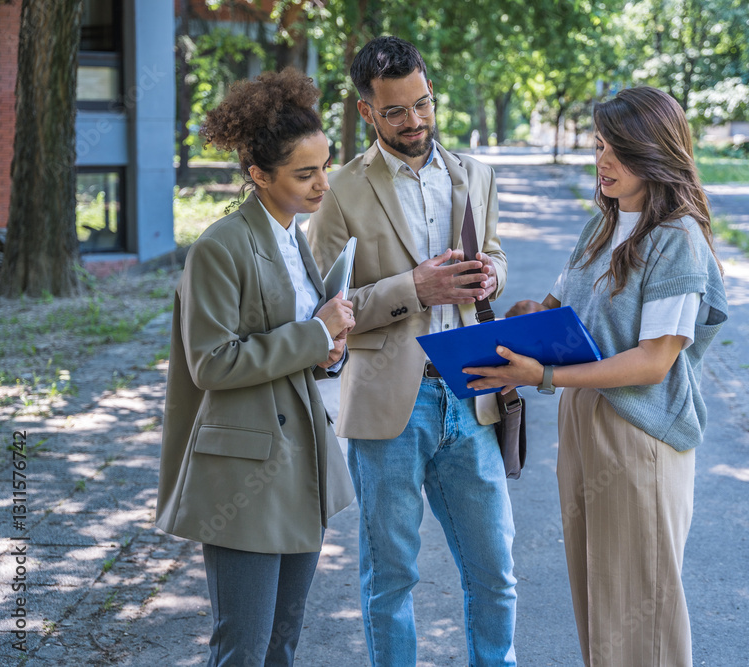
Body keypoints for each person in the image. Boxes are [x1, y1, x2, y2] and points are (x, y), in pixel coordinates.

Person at [465, 87, 728, 667]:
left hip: (640, 433)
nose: (602, 161)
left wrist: (545, 374)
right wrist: (518, 321)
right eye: (600, 146)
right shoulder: (599, 227)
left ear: (655, 153)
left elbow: (654, 361)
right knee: (599, 594)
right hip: (584, 418)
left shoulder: (676, 239)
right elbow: (558, 306)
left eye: (618, 150)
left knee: (644, 603)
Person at [305, 35, 517, 666]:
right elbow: (324, 309)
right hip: (388, 406)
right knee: (391, 579)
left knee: (496, 575)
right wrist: (412, 288)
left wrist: (493, 277)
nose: (415, 121)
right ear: (367, 111)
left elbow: (497, 253)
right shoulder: (338, 190)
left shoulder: (474, 176)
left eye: (422, 104)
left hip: (471, 390)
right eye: (395, 111)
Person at [155, 68, 356, 667]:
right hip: (244, 473)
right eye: (306, 173)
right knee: (242, 648)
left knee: (281, 645)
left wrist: (326, 351)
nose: (324, 183)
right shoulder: (220, 246)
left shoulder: (294, 232)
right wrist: (314, 333)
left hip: (303, 462)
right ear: (258, 176)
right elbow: (212, 363)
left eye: (326, 165)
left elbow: (291, 341)